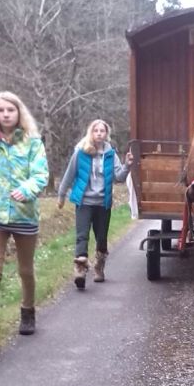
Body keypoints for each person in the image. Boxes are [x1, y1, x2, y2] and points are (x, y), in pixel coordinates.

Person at [0, 91, 49, 352]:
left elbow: (41, 175)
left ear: (18, 113)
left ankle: (27, 311)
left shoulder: (33, 143)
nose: (6, 114)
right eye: (1, 110)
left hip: (25, 216)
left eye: (10, 110)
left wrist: (26, 190)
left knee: (25, 270)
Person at [57, 119, 133, 289]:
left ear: (107, 134)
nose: (99, 133)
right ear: (91, 133)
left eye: (102, 131)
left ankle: (99, 267)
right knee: (81, 236)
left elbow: (119, 177)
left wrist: (127, 165)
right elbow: (69, 175)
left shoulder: (110, 154)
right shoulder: (81, 152)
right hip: (84, 201)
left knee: (101, 238)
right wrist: (61, 195)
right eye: (96, 130)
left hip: (102, 203)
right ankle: (80, 270)